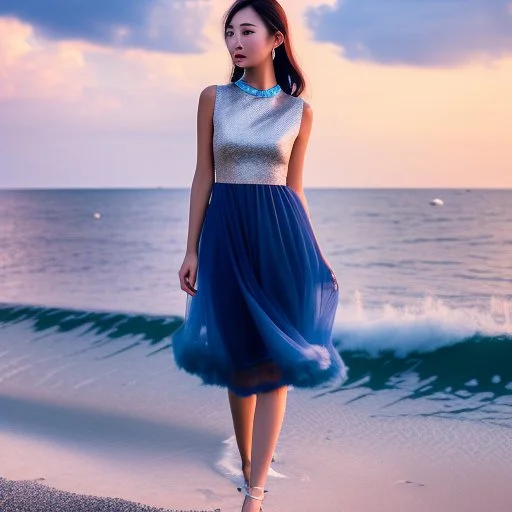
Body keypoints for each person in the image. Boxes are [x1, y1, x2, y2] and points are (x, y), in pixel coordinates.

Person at [171, 1, 348, 510]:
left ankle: (256, 490)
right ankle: (249, 462)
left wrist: (317, 253)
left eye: (247, 30)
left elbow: (295, 188)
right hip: (226, 235)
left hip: (281, 238)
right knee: (238, 358)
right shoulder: (214, 98)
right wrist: (191, 248)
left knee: (277, 358)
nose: (236, 41)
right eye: (229, 32)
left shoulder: (299, 112)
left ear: (275, 38)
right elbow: (203, 174)